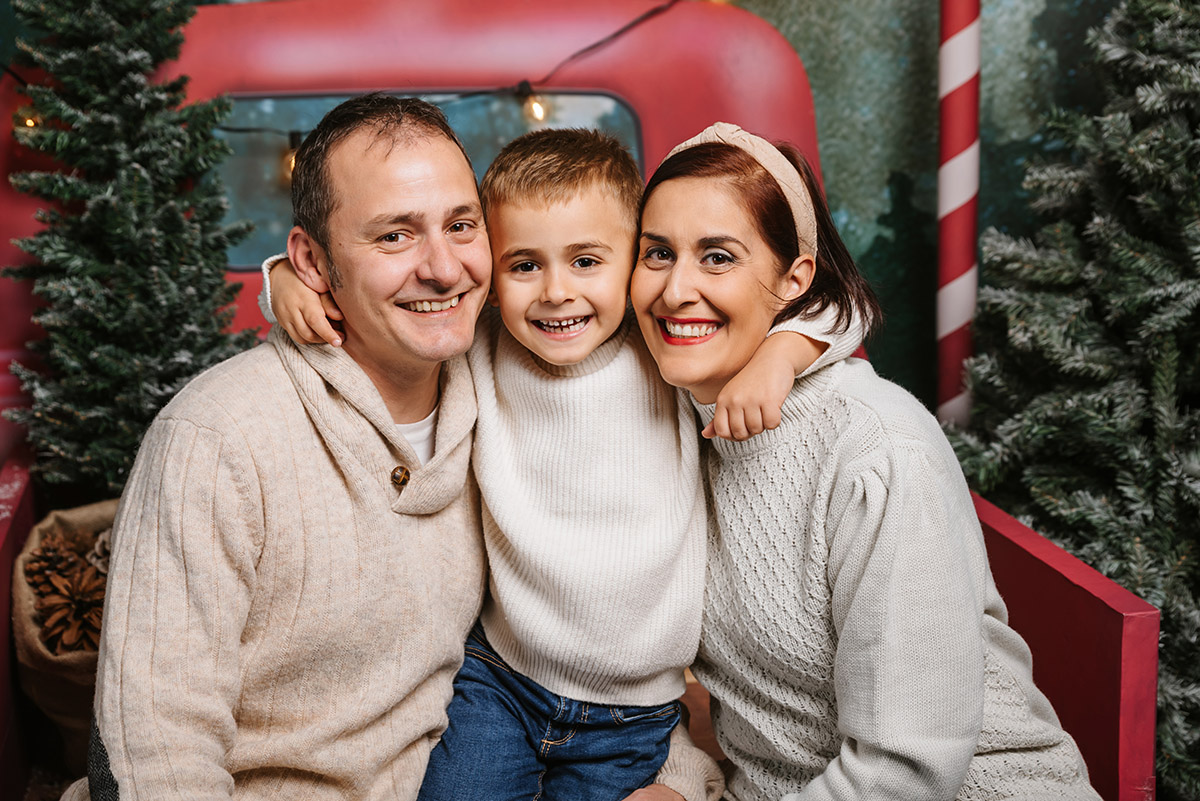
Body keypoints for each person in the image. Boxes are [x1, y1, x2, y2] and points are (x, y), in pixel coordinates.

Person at [264, 127, 862, 800]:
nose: (555, 291)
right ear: (491, 274)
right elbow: (373, 316)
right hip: (500, 684)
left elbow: (843, 308)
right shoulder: (481, 346)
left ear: (636, 262)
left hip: (633, 716)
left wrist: (780, 358)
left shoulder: (663, 352)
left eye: (586, 261)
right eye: (524, 265)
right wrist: (284, 280)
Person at [629, 122, 1103, 801]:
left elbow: (908, 769)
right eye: (657, 253)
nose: (676, 290)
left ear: (793, 279)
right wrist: (678, 779)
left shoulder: (875, 450)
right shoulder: (664, 421)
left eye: (718, 257)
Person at [62, 94, 495, 800]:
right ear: (312, 261)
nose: (444, 268)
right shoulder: (214, 437)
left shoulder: (508, 392)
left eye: (461, 224)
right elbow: (157, 752)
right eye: (394, 236)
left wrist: (750, 355)